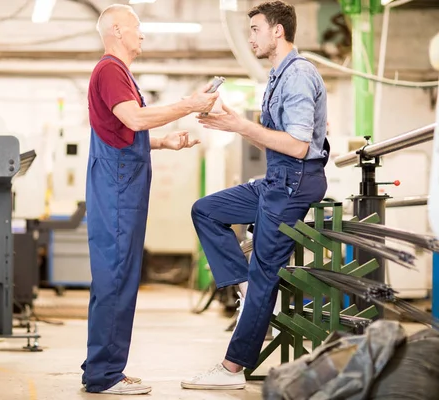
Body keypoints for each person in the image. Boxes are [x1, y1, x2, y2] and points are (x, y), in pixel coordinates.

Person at [181, 0, 330, 390]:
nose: (251, 38)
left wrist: (240, 127)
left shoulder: (297, 75)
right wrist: (231, 122)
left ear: (277, 31)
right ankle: (246, 287)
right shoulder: (278, 76)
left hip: (295, 180)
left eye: (256, 29)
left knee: (266, 271)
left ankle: (233, 369)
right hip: (277, 178)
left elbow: (298, 146)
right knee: (206, 210)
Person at [81, 4, 219, 396]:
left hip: (118, 182)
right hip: (118, 186)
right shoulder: (110, 70)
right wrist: (189, 105)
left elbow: (122, 130)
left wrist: (164, 141)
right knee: (116, 277)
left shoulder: (117, 73)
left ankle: (102, 367)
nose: (142, 35)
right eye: (137, 28)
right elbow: (136, 120)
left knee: (118, 276)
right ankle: (104, 375)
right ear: (119, 31)